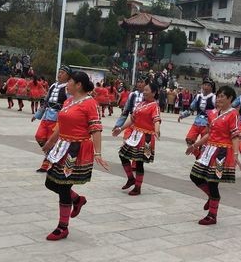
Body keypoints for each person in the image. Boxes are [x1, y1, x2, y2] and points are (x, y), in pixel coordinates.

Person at [40, 70, 108, 240]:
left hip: (75, 149)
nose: (67, 84)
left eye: (70, 81)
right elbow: (61, 124)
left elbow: (96, 128)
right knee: (51, 182)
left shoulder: (90, 103)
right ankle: (77, 200)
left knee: (63, 185)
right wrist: (50, 141)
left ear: (79, 85)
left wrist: (98, 153)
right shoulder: (69, 101)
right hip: (62, 146)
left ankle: (63, 227)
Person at [186, 85, 241, 225]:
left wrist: (235, 154)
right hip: (209, 150)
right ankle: (211, 198)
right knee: (195, 176)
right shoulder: (213, 113)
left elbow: (235, 136)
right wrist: (195, 146)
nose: (219, 99)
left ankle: (212, 215)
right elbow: (209, 134)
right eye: (218, 96)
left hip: (222, 152)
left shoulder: (233, 114)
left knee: (212, 182)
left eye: (223, 96)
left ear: (230, 99)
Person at [112, 82, 161, 196]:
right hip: (135, 134)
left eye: (147, 90)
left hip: (146, 138)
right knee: (122, 154)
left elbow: (156, 119)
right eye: (144, 90)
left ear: (153, 93)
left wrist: (157, 130)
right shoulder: (140, 104)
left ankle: (137, 187)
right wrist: (120, 128)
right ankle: (130, 178)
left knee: (139, 162)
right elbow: (132, 119)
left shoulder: (154, 106)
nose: (144, 92)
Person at [32, 65, 71, 173]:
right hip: (46, 116)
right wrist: (37, 115)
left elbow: (69, 104)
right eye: (59, 72)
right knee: (39, 136)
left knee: (51, 141)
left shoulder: (68, 88)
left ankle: (46, 165)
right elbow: (45, 101)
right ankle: (52, 158)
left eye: (62, 73)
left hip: (58, 119)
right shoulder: (53, 86)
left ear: (68, 76)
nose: (59, 74)